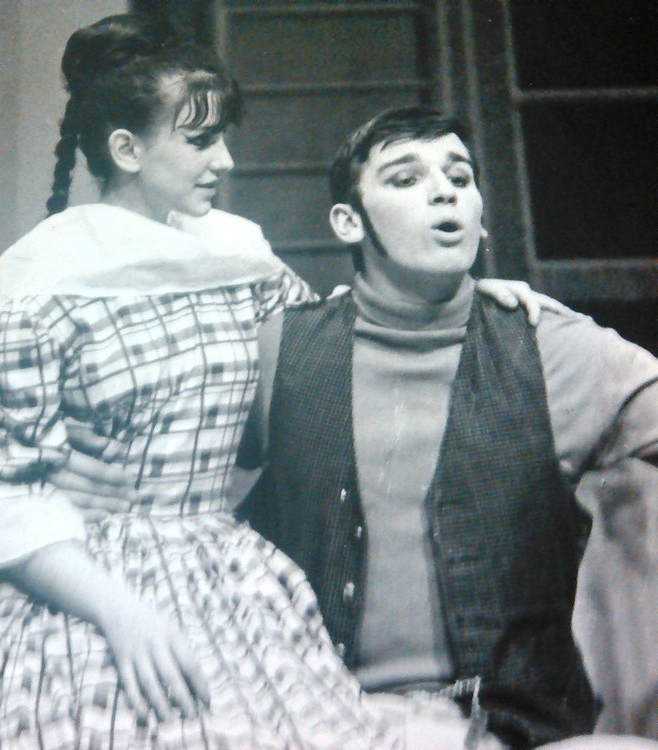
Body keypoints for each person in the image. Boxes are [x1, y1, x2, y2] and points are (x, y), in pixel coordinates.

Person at [0, 17, 559, 748]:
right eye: (200, 141)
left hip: (227, 579)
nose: (224, 160)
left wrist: (465, 300)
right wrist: (122, 615)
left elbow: (329, 337)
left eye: (223, 137)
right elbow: (3, 498)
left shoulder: (235, 256)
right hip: (85, 593)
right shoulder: (43, 288)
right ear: (127, 150)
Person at [235, 107, 658, 749]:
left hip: (514, 734)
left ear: (480, 217)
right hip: (310, 727)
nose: (444, 192)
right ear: (348, 221)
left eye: (459, 177)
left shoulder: (551, 346)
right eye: (406, 179)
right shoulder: (279, 352)